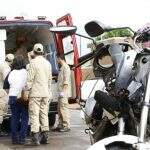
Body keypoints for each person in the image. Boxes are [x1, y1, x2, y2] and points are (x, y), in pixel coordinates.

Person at [26, 43, 52, 145]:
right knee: (44, 114)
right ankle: (45, 136)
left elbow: (29, 80)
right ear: (42, 52)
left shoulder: (33, 63)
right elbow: (49, 80)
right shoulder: (48, 63)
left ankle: (35, 138)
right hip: (45, 93)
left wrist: (26, 91)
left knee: (34, 114)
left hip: (35, 94)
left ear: (34, 51)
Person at [7, 55, 28, 144]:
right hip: (22, 97)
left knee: (14, 118)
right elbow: (27, 84)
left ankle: (14, 139)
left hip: (12, 96)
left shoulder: (11, 72)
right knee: (24, 118)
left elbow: (9, 83)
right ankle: (22, 138)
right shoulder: (25, 72)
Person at [54, 54, 71, 132]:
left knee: (63, 109)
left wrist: (63, 92)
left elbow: (66, 81)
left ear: (59, 58)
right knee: (59, 109)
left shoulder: (66, 68)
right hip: (60, 92)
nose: (56, 61)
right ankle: (60, 124)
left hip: (63, 92)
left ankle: (66, 125)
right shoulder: (62, 68)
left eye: (57, 59)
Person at [0, 53, 14, 135]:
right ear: (11, 61)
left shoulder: (2, 64)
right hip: (2, 92)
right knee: (1, 112)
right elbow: (7, 81)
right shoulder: (6, 68)